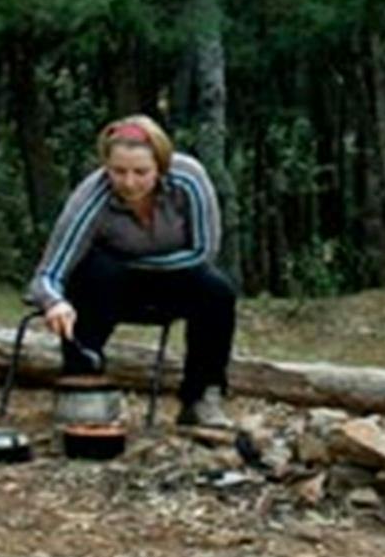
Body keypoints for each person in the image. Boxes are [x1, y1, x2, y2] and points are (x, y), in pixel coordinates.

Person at [26, 115, 237, 429]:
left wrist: (134, 264)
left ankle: (201, 396)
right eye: (118, 171)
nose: (128, 182)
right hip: (109, 288)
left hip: (176, 275)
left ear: (161, 167)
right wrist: (54, 301)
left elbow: (203, 251)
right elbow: (49, 273)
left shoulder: (189, 180)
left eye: (141, 172)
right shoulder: (92, 198)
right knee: (96, 271)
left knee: (218, 291)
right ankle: (84, 387)